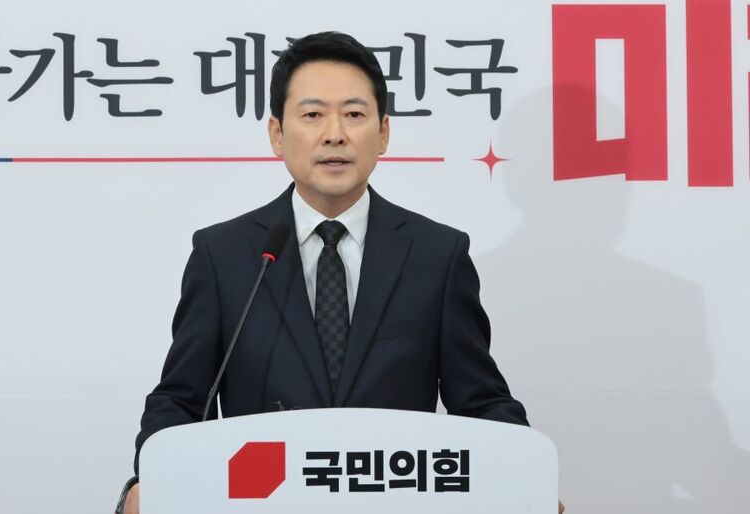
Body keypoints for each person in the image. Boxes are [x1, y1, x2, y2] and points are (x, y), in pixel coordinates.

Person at [116, 31, 559, 514]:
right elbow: (181, 401)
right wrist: (149, 482)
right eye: (312, 115)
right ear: (277, 134)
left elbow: (480, 402)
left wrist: (526, 476)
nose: (335, 134)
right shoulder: (224, 254)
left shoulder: (437, 255)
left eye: (354, 114)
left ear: (383, 133)